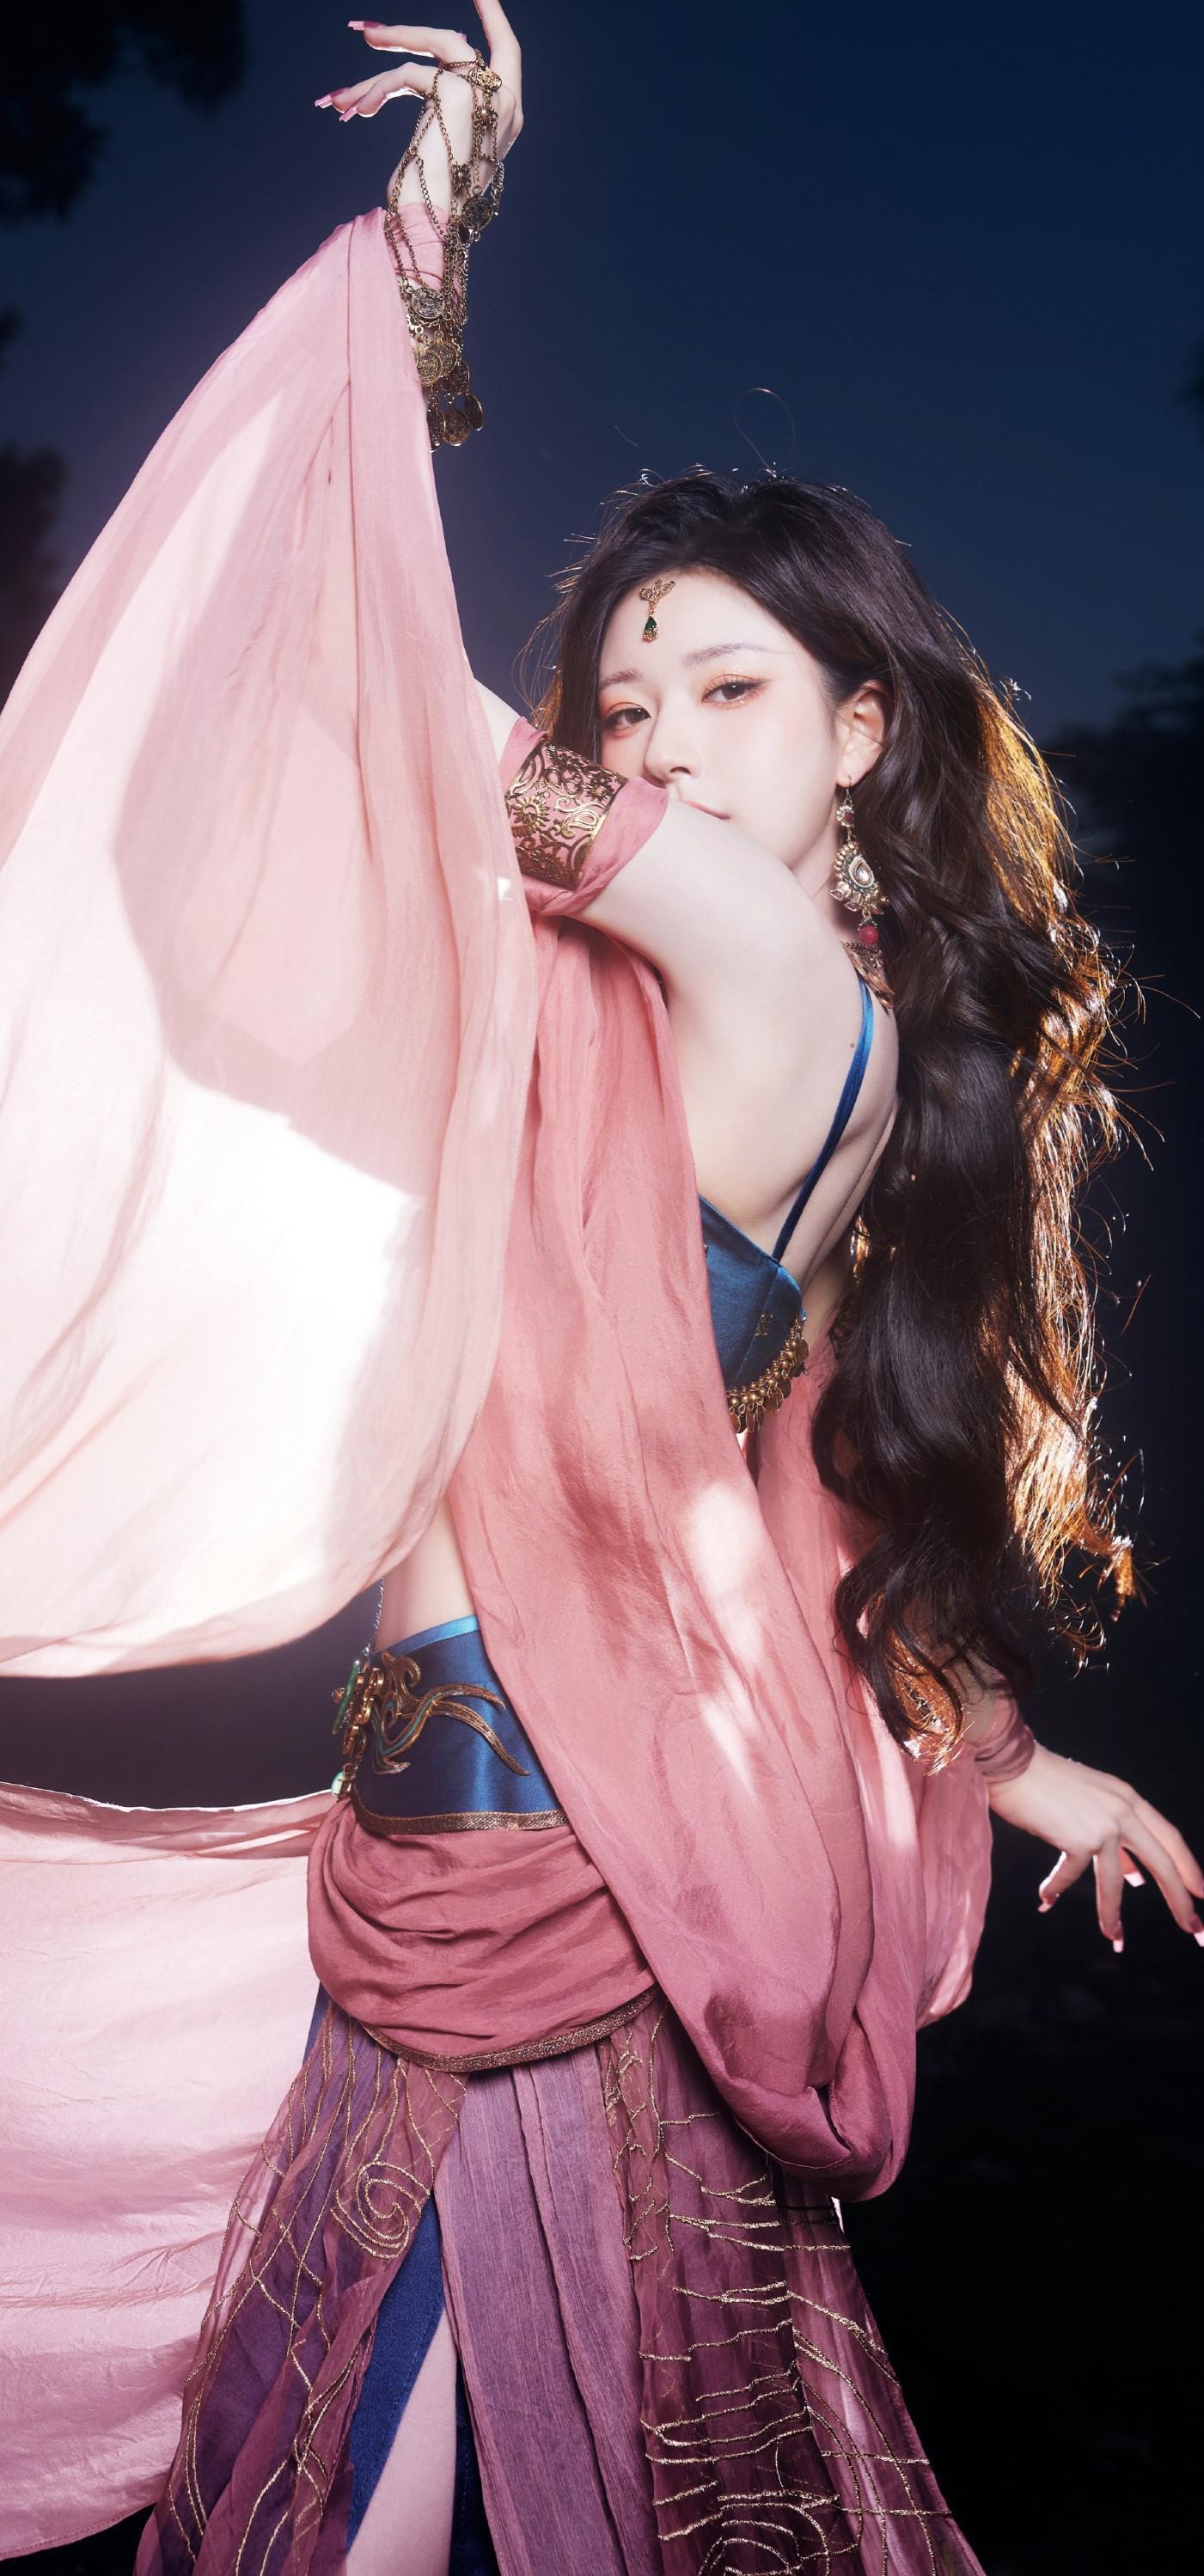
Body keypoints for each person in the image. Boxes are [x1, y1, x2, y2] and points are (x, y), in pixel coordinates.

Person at [1, 9, 1201, 2573]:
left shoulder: (761, 967)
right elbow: (821, 1494)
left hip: (555, 1867)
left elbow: (370, 704)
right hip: (474, 1834)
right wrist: (1017, 1766)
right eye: (624, 698)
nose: (654, 736)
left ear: (861, 738)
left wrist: (417, 286)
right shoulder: (695, 1035)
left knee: (394, 2492)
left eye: (726, 691)